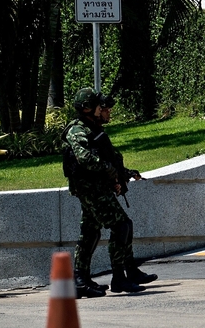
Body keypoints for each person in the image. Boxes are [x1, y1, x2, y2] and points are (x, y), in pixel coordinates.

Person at [62, 88, 156, 298]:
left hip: (96, 188)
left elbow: (107, 157)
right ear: (87, 108)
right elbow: (84, 157)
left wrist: (123, 173)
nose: (102, 109)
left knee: (90, 233)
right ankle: (119, 277)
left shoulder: (91, 128)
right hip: (90, 189)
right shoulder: (77, 130)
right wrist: (108, 169)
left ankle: (81, 279)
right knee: (121, 225)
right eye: (98, 105)